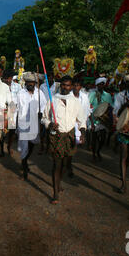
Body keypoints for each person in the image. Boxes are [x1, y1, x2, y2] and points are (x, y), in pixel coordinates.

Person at [42, 76, 86, 204]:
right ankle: (55, 193)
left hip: (70, 135)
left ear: (71, 87)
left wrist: (83, 132)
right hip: (56, 135)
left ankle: (58, 182)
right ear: (60, 86)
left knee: (65, 163)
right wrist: (50, 124)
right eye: (63, 85)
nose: (65, 88)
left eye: (68, 85)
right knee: (57, 164)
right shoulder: (53, 100)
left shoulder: (75, 101)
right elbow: (44, 118)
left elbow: (82, 119)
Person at [17, 72, 47, 179]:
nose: (30, 84)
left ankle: (24, 160)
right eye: (28, 82)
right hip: (23, 123)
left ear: (35, 83)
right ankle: (24, 167)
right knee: (24, 146)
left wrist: (41, 114)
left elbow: (44, 106)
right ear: (25, 82)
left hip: (34, 124)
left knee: (32, 145)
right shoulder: (20, 93)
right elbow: (17, 108)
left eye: (32, 82)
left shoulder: (39, 93)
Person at [67, 77, 91, 177]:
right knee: (70, 145)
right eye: (75, 85)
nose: (76, 87)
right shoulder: (68, 96)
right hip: (70, 124)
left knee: (74, 146)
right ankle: (69, 165)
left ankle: (69, 163)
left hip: (80, 125)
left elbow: (88, 110)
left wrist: (84, 124)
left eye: (78, 85)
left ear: (81, 87)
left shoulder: (85, 97)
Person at [89, 77, 113, 160]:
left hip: (103, 120)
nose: (101, 86)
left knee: (103, 138)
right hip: (94, 119)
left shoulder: (107, 95)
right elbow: (89, 105)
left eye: (102, 84)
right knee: (94, 138)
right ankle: (94, 154)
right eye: (99, 85)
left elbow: (111, 106)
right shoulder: (92, 94)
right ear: (97, 85)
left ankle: (98, 151)